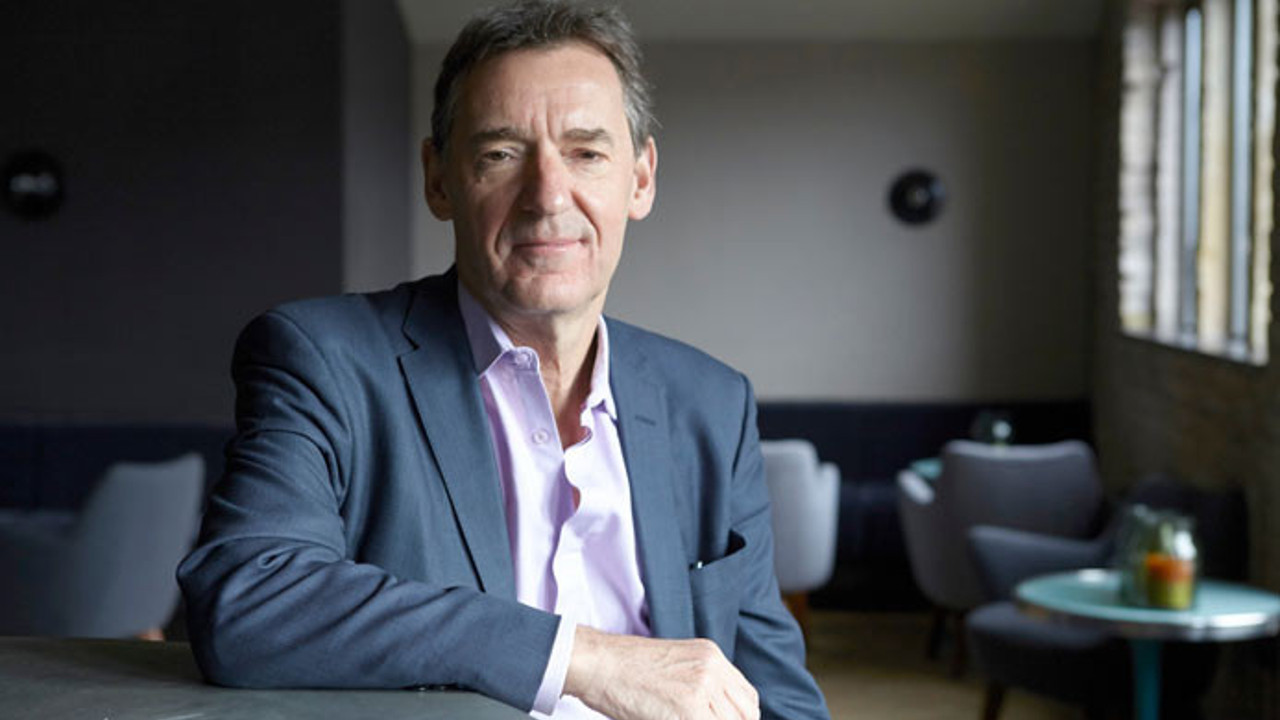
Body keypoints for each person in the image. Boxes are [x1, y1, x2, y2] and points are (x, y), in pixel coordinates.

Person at [177, 2, 829, 719]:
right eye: (501, 154)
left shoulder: (712, 403)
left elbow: (777, 696)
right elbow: (247, 600)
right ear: (439, 179)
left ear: (640, 179)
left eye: (586, 153)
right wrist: (580, 658)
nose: (547, 197)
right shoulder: (324, 360)